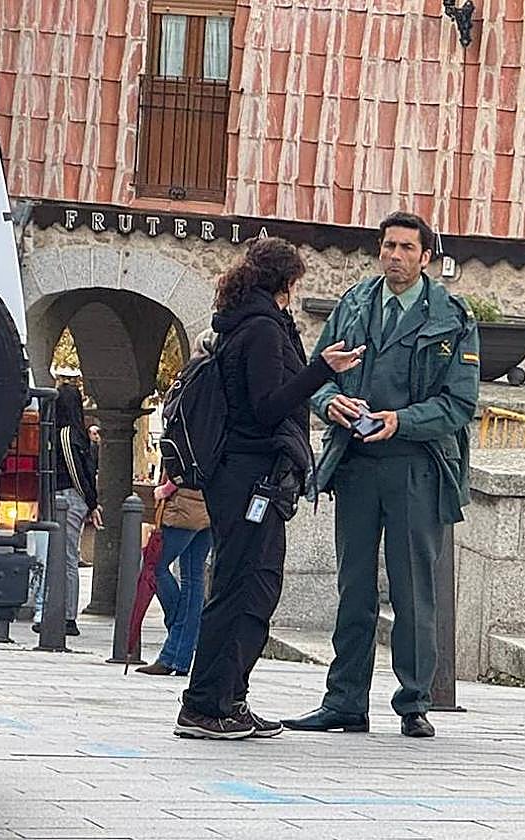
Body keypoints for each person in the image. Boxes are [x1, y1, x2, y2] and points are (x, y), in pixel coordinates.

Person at [282, 212, 480, 739]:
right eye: (388, 246)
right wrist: (331, 405)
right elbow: (318, 374)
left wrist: (402, 421)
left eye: (406, 248)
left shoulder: (451, 317)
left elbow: (460, 403)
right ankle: (344, 701)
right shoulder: (354, 305)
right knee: (354, 589)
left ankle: (414, 703)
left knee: (414, 591)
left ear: (426, 258)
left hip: (416, 465)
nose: (395, 255)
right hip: (355, 465)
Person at [174, 238, 365, 740]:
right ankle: (207, 704)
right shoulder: (260, 330)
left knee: (249, 586)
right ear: (288, 283)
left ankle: (226, 699)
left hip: (246, 473)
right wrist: (323, 369)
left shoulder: (247, 322)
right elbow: (266, 406)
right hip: (248, 474)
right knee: (243, 588)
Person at [34, 371, 102, 637]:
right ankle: (64, 613)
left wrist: (89, 500)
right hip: (75, 497)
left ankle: (66, 615)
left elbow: (75, 469)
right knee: (65, 555)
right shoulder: (78, 432)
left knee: (65, 556)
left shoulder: (63, 434)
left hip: (67, 495)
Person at [136, 474, 212, 677]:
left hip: (184, 506)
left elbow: (183, 468)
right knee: (194, 578)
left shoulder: (190, 439)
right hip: (210, 506)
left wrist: (164, 490)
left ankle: (178, 639)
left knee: (154, 567)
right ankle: (181, 655)